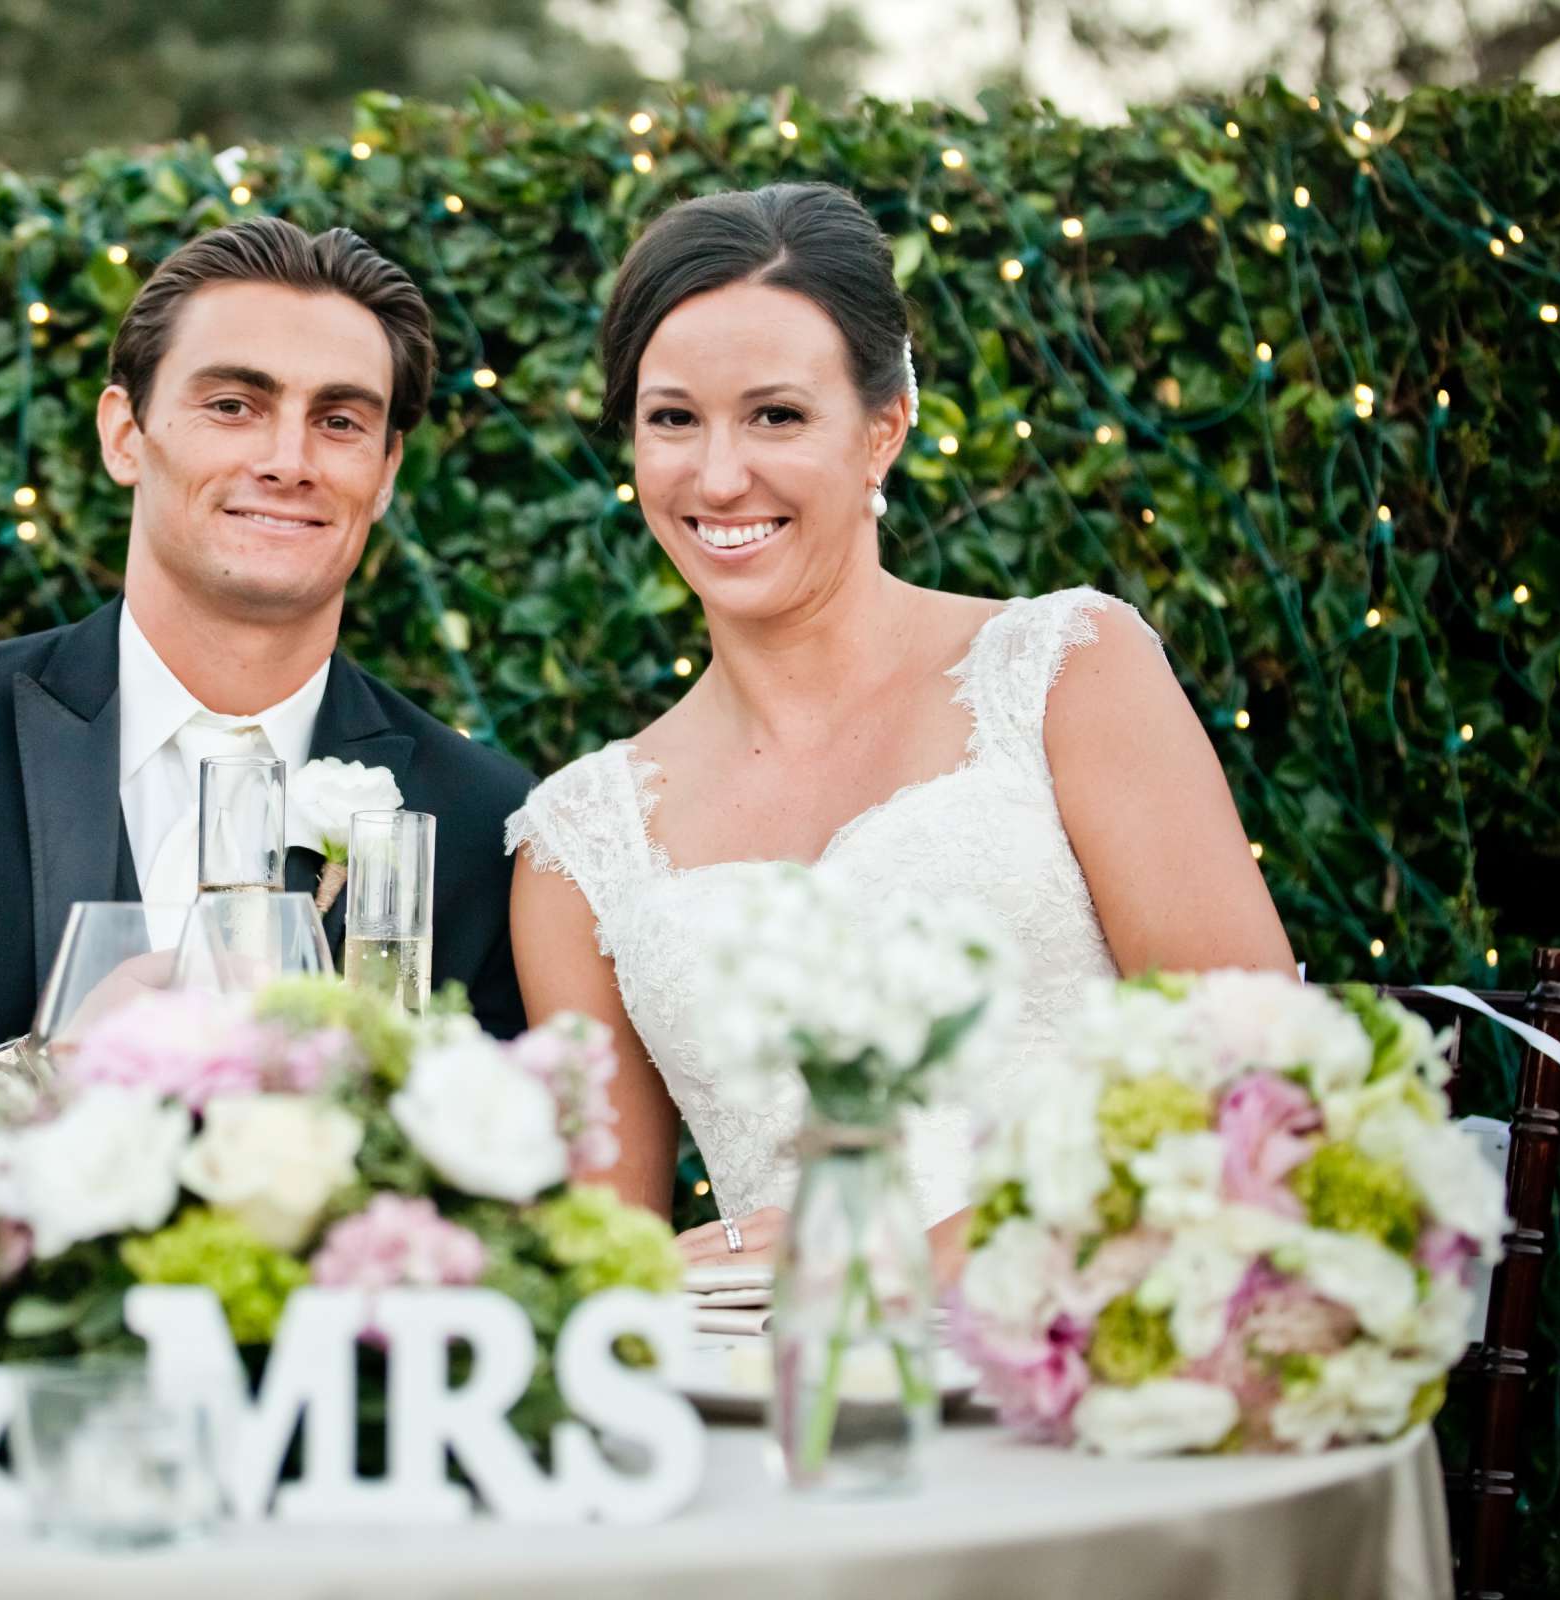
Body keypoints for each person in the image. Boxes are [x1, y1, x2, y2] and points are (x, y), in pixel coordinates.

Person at [504, 182, 1295, 1277]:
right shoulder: (579, 844)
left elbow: (1256, 1085)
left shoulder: (1069, 673)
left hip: (1134, 1356)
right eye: (673, 419)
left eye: (777, 415)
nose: (719, 474)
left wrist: (899, 1260)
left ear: (884, 429)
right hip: (794, 1413)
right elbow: (609, 1273)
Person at [0, 218, 534, 1081]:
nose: (289, 460)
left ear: (387, 473)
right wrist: (36, 1075)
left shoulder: (483, 819)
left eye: (338, 421)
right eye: (233, 406)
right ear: (124, 434)